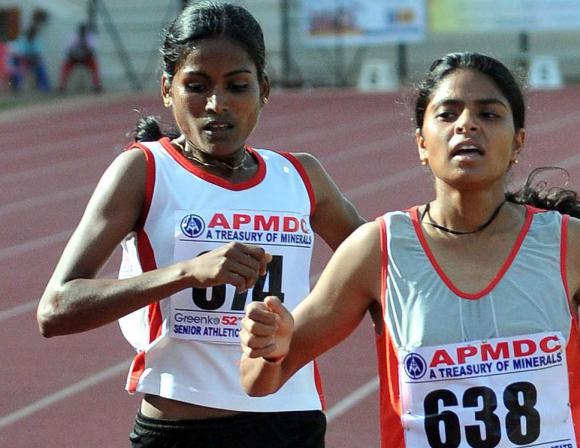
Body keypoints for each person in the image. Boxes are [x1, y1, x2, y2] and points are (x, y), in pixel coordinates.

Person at [239, 52, 580, 448]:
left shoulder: (566, 243)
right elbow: (261, 382)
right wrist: (271, 349)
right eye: (447, 113)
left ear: (517, 142)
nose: (467, 125)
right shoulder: (379, 249)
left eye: (489, 113)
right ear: (422, 143)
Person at [36, 2, 363, 447]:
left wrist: (299, 333)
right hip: (181, 429)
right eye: (197, 85)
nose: (217, 104)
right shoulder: (145, 171)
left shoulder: (303, 177)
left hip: (289, 423)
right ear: (167, 90)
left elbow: (381, 277)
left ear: (264, 89)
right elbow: (55, 309)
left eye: (237, 86)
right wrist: (187, 272)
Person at [9, 8, 50, 93]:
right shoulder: (22, 38)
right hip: (19, 60)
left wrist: (36, 60)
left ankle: (45, 88)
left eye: (34, 33)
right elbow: (18, 54)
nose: (32, 35)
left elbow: (38, 54)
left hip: (30, 59)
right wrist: (26, 60)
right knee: (20, 68)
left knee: (41, 66)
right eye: (31, 33)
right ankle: (16, 88)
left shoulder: (36, 39)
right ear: (28, 33)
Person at [58, 22, 102, 93]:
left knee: (94, 65)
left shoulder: (90, 37)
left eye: (84, 31)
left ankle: (97, 85)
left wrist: (85, 50)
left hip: (86, 57)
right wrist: (76, 56)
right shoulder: (73, 37)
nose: (83, 32)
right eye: (81, 30)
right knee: (65, 66)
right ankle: (62, 86)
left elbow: (92, 51)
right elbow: (69, 50)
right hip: (74, 58)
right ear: (79, 30)